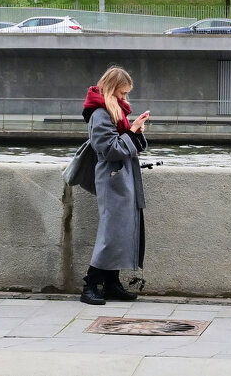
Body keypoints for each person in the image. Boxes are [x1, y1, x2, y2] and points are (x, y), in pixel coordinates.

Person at [79, 65, 149, 305]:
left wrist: (135, 131)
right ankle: (90, 284)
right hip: (112, 178)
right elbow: (109, 149)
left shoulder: (112, 109)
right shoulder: (100, 113)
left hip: (120, 178)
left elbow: (123, 142)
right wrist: (131, 132)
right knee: (111, 233)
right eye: (122, 93)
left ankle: (111, 283)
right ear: (111, 90)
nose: (125, 98)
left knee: (120, 232)